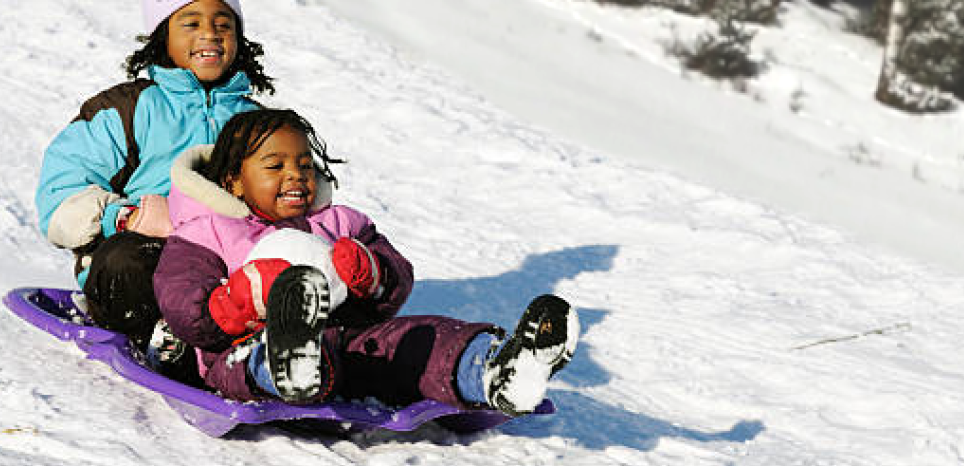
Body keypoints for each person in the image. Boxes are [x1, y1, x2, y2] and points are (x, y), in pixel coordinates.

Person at [152, 108, 580, 416]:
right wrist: (240, 301)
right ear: (233, 180)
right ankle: (288, 364)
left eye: (304, 164)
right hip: (238, 351)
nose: (296, 175)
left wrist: (372, 274)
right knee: (251, 359)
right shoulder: (208, 231)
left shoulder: (338, 222)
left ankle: (496, 370)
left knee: (419, 339)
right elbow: (184, 303)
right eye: (274, 165)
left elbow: (397, 279)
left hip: (348, 340)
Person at [34, 0, 271, 355]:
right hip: (150, 254)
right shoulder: (129, 108)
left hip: (229, 263)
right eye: (191, 24)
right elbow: (61, 193)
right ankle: (167, 342)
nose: (210, 33)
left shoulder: (258, 124)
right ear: (163, 36)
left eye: (224, 24)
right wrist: (127, 218)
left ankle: (273, 351)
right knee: (124, 261)